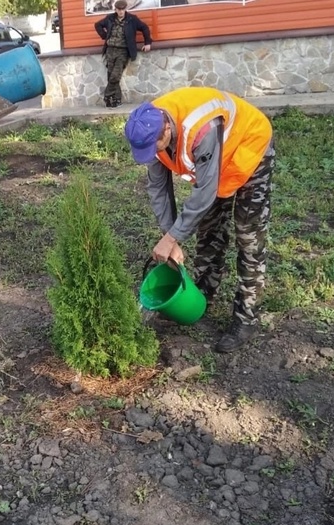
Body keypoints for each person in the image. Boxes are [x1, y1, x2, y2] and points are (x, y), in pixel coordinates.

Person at [124, 88, 276, 353]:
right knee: (209, 231)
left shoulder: (201, 128)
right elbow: (158, 188)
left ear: (167, 131)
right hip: (217, 161)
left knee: (248, 237)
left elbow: (205, 192)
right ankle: (202, 296)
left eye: (154, 148)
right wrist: (169, 238)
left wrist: (172, 238)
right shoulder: (149, 125)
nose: (152, 155)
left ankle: (246, 317)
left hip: (249, 150)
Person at [94, 0, 152, 108]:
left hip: (123, 51)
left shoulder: (132, 19)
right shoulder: (110, 18)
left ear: (125, 9)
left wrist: (147, 43)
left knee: (115, 76)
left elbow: (144, 28)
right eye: (119, 9)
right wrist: (104, 36)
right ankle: (116, 101)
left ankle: (107, 95)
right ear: (115, 9)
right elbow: (97, 25)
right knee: (111, 76)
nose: (121, 11)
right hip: (110, 50)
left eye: (123, 9)